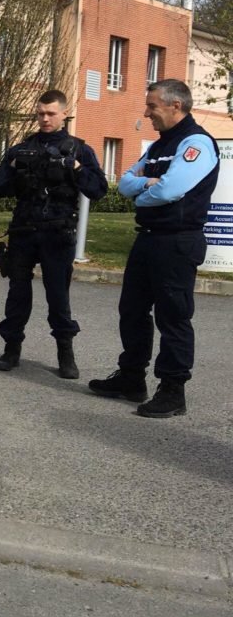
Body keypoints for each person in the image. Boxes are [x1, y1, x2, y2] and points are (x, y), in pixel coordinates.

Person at [89, 79, 219, 418]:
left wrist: (143, 195)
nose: (147, 114)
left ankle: (173, 391)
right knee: (131, 310)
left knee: (173, 317)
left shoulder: (196, 143)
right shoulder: (160, 146)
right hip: (148, 237)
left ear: (176, 105)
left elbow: (169, 190)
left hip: (177, 241)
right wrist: (146, 186)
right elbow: (126, 179)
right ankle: (131, 378)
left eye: (152, 107)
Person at [0, 90, 107, 378]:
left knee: (58, 296)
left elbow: (98, 189)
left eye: (51, 113)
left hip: (58, 233)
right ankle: (11, 349)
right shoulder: (21, 149)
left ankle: (65, 354)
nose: (44, 118)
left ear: (64, 114)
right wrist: (14, 166)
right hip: (23, 231)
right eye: (40, 113)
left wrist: (75, 168)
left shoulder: (79, 150)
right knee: (17, 294)